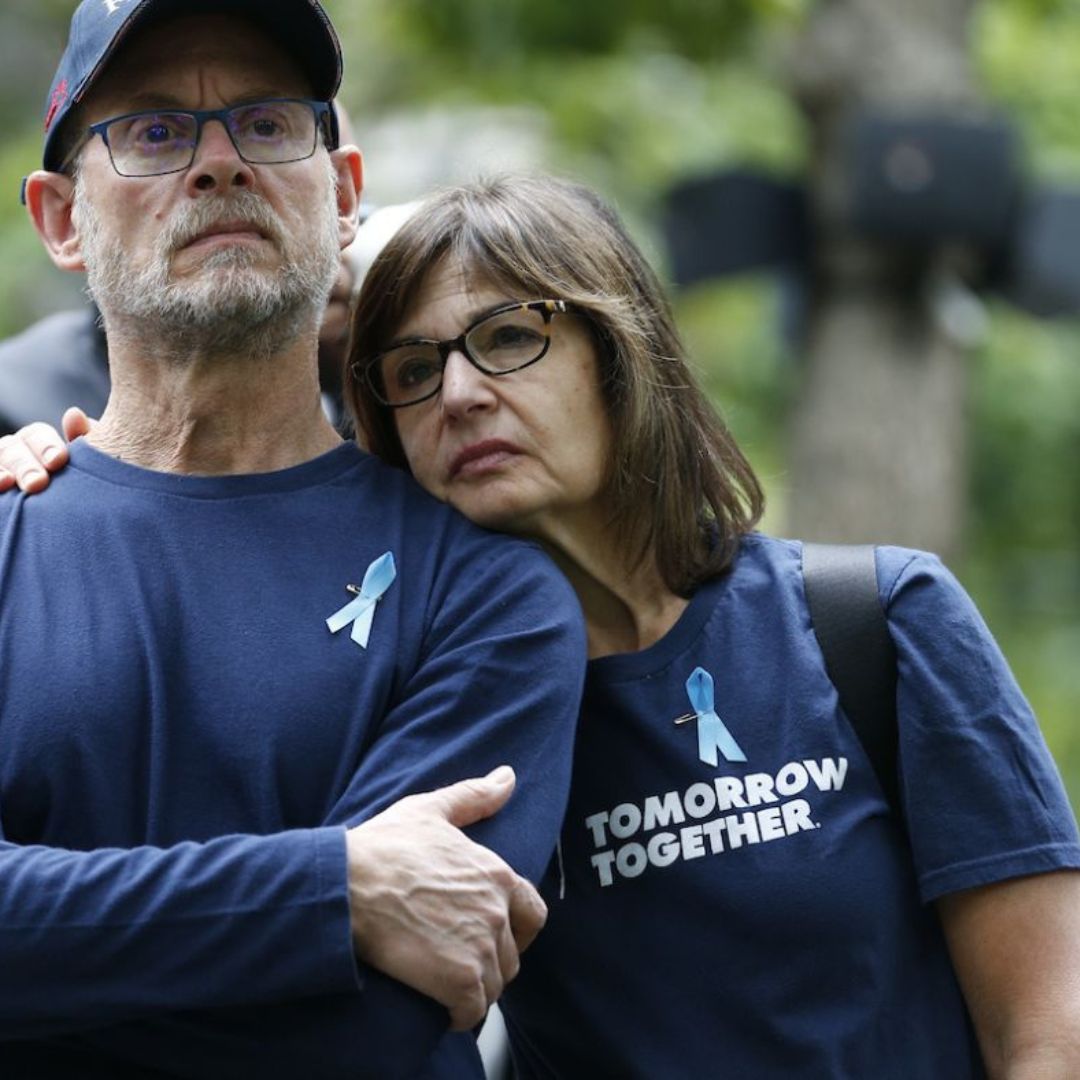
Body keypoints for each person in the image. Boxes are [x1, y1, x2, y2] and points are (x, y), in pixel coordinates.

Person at [7, 177, 1080, 1075]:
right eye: (414, 372)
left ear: (618, 349)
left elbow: (1043, 1026)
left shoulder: (867, 623)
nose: (462, 395)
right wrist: (74, 484)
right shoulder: (434, 689)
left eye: (510, 336)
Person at [0, 4, 585, 1078]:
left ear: (345, 191)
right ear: (60, 220)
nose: (220, 163)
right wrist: (335, 889)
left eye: (267, 124)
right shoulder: (7, 544)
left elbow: (375, 1021)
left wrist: (52, 947)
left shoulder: (488, 589)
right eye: (156, 132)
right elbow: (346, 952)